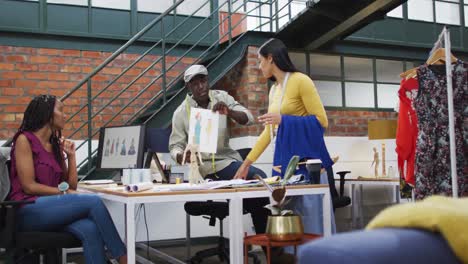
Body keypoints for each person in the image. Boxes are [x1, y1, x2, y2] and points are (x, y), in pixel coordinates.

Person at [8, 94, 127, 264]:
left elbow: (69, 185)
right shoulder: (24, 140)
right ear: (48, 113)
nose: (65, 115)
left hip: (53, 210)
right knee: (93, 201)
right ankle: (123, 257)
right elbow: (29, 186)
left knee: (91, 229)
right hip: (28, 210)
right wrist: (64, 192)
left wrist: (71, 157)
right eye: (61, 110)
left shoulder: (54, 144)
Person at [168, 64, 270, 235]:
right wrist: (181, 156)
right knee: (258, 188)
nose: (200, 86)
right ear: (188, 87)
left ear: (208, 80)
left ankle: (263, 242)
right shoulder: (181, 113)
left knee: (260, 181)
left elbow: (249, 119)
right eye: (194, 83)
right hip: (205, 167)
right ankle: (267, 245)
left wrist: (229, 112)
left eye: (203, 81)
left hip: (227, 161)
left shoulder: (222, 97)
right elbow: (175, 146)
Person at [234, 38, 332, 180]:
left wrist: (284, 120)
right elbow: (268, 132)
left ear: (270, 58)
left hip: (307, 164)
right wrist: (246, 164)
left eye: (261, 61)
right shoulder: (274, 90)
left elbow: (322, 121)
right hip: (284, 163)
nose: (260, 66)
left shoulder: (301, 81)